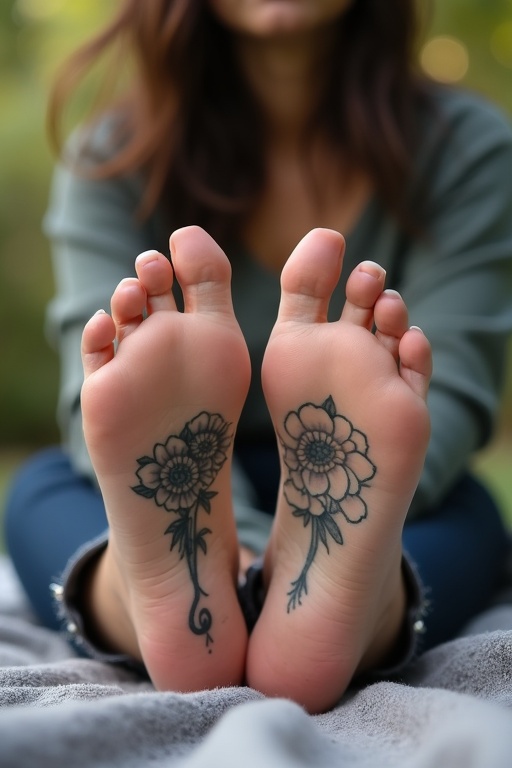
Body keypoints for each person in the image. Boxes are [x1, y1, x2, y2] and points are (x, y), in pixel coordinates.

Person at [4, 0, 512, 714]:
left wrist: (263, 555)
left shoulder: (466, 149)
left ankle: (185, 598)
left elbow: (450, 398)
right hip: (204, 480)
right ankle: (325, 609)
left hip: (360, 485)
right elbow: (89, 392)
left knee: (466, 508)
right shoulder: (114, 156)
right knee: (47, 487)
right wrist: (247, 559)